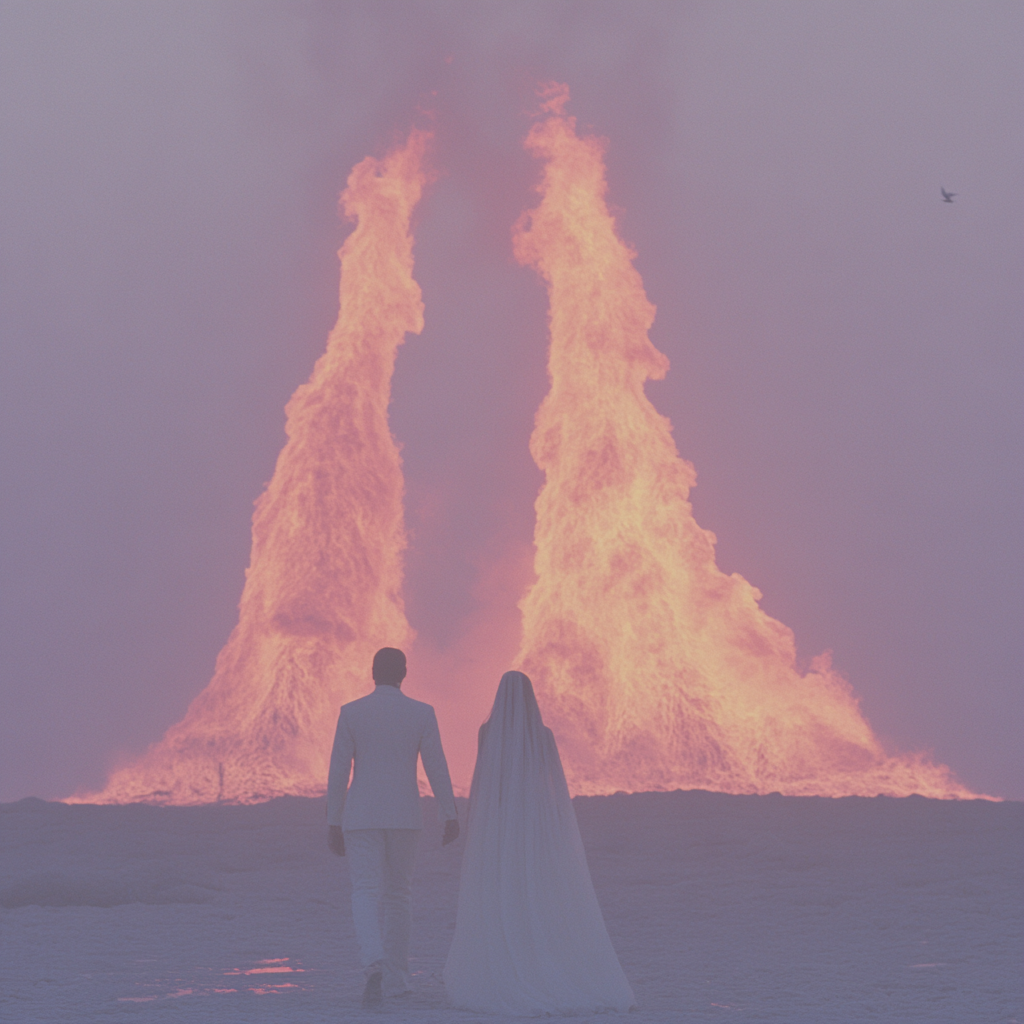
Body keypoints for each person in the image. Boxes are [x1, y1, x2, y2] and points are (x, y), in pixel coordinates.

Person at [443, 670, 636, 1014]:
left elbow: (485, 782)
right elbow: (551, 788)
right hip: (532, 827)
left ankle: (506, 958)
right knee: (535, 892)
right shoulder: (543, 736)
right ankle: (536, 957)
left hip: (500, 826)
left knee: (501, 892)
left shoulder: (487, 733)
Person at [327, 647, 459, 1008]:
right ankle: (398, 980)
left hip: (361, 817)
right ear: (404, 673)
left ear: (372, 673)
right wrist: (449, 812)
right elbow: (436, 765)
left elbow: (339, 770)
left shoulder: (351, 713)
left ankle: (373, 964)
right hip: (404, 816)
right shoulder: (421, 713)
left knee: (365, 892)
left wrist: (332, 820)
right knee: (399, 895)